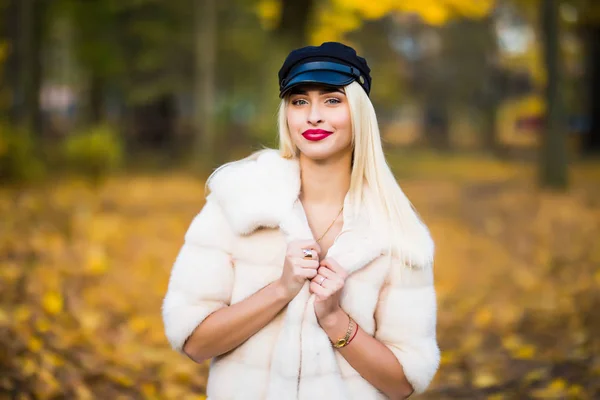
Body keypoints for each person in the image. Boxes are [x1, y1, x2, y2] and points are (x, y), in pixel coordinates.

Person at [162, 42, 440, 400]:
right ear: (287, 114)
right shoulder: (238, 203)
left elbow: (403, 383)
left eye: (332, 100)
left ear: (359, 113)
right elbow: (194, 343)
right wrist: (281, 289)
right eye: (299, 101)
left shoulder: (397, 234)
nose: (313, 116)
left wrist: (334, 319)